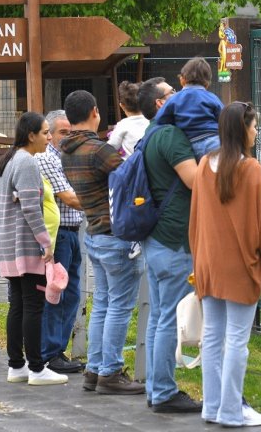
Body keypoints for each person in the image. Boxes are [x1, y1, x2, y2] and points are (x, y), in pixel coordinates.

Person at [189, 102, 261, 427]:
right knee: (237, 340)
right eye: (254, 126)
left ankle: (213, 408)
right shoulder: (250, 168)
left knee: (212, 336)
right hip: (240, 265)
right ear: (242, 129)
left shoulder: (203, 165)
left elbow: (196, 217)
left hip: (208, 262)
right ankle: (231, 411)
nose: (256, 132)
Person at [59, 90, 144, 395]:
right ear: (95, 111)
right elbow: (131, 174)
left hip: (94, 232)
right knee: (119, 306)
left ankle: (94, 369)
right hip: (116, 234)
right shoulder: (97, 150)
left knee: (103, 305)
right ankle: (110, 372)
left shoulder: (66, 149)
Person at [137, 77, 202, 413]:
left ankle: (155, 387)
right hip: (174, 241)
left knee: (160, 316)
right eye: (172, 93)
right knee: (167, 319)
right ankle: (163, 391)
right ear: (162, 104)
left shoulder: (149, 134)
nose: (178, 96)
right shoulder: (171, 136)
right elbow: (195, 180)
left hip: (157, 239)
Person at [0, 112, 68, 386]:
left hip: (9, 245)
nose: (49, 138)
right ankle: (36, 368)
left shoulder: (9, 159)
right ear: (31, 135)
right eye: (46, 133)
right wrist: (45, 243)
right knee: (33, 306)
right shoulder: (27, 163)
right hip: (26, 245)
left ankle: (17, 365)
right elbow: (31, 208)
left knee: (18, 305)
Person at [36, 110, 86, 374]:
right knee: (56, 293)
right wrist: (102, 200)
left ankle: (58, 350)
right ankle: (50, 352)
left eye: (71, 132)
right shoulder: (47, 158)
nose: (68, 137)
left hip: (73, 230)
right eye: (62, 133)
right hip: (59, 234)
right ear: (51, 135)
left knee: (72, 294)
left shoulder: (67, 158)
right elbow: (69, 197)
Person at [155, 57, 224, 159]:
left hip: (189, 144)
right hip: (214, 142)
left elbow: (160, 119)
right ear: (207, 83)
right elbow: (224, 119)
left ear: (182, 79)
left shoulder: (174, 99)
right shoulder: (212, 97)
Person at [107, 80, 149, 158]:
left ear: (122, 106)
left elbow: (111, 147)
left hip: (130, 166)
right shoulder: (150, 121)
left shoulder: (123, 124)